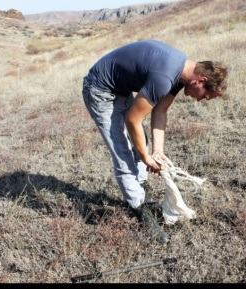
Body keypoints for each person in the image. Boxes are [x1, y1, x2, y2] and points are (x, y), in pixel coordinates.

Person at [82, 39, 228, 245]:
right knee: (123, 152)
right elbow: (133, 119)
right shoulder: (165, 76)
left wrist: (156, 152)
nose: (200, 100)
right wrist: (145, 157)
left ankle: (140, 192)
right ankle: (140, 210)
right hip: (99, 90)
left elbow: (160, 110)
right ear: (201, 80)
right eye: (205, 96)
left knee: (143, 144)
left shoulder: (181, 75)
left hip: (120, 89)